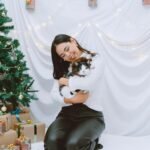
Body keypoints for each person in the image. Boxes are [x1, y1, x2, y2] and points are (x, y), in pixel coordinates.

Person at [44, 34, 105, 150]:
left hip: (91, 116)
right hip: (67, 114)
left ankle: (93, 143)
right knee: (51, 142)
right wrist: (68, 100)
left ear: (73, 41)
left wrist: (66, 81)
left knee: (73, 145)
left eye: (67, 49)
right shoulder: (63, 66)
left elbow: (89, 84)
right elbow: (53, 93)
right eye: (63, 55)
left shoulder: (95, 59)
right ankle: (73, 136)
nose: (67, 55)